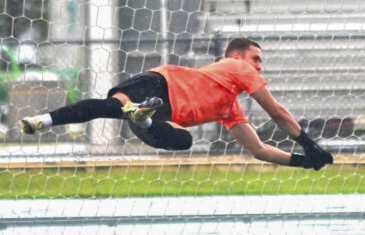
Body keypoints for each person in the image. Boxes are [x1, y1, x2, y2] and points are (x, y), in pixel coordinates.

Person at [19, 38, 333, 171]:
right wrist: (308, 143)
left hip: (160, 118)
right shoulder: (236, 67)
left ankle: (141, 117)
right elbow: (277, 112)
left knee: (183, 140)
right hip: (161, 84)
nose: (259, 67)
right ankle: (43, 120)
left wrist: (304, 162)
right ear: (237, 56)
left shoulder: (230, 107)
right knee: (110, 106)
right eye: (256, 59)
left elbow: (260, 150)